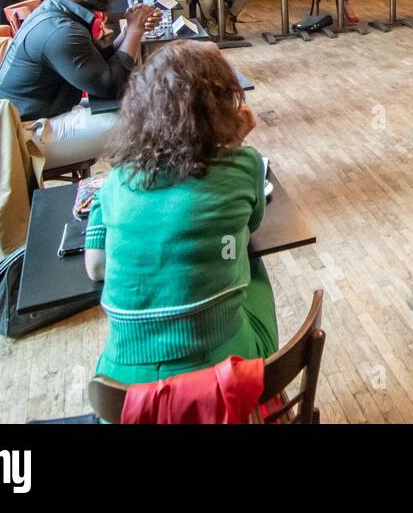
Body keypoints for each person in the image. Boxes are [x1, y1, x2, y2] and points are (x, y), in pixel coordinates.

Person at [84, 40, 278, 385]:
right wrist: (234, 144)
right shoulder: (243, 166)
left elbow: (96, 268)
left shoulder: (116, 183)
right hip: (227, 374)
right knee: (250, 259)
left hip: (123, 388)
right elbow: (252, 222)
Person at [0, 0, 159, 168]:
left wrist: (131, 30)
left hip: (44, 112)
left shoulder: (60, 14)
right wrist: (134, 31)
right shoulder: (59, 30)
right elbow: (110, 86)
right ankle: (136, 192)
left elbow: (99, 65)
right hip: (24, 134)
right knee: (146, 121)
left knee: (144, 104)